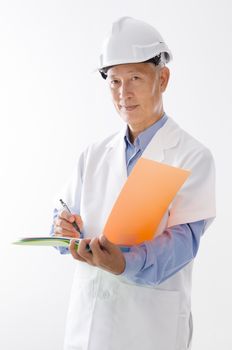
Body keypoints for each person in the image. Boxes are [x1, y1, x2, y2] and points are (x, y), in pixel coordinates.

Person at [52, 16, 216, 350]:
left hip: (149, 330)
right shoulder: (93, 155)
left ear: (163, 78)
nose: (123, 93)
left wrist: (124, 263)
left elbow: (183, 244)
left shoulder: (192, 157)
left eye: (135, 78)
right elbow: (63, 217)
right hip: (89, 327)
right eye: (114, 81)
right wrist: (61, 229)